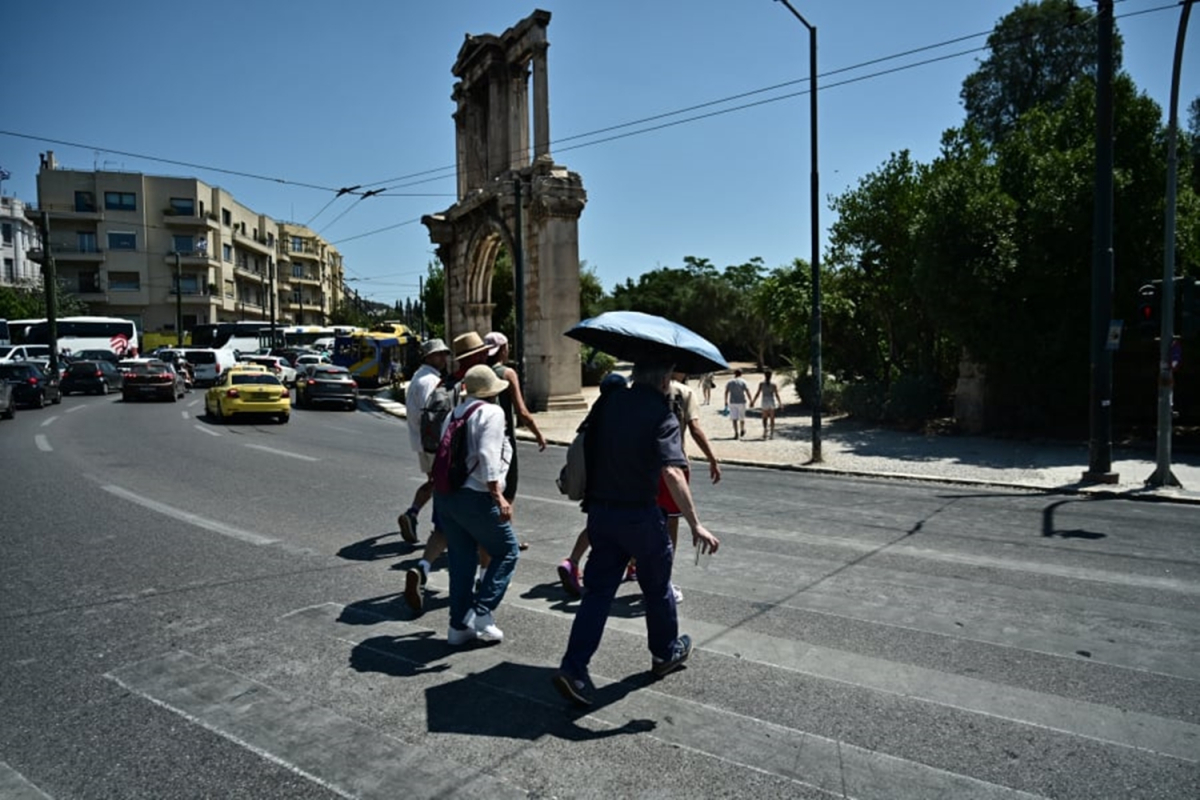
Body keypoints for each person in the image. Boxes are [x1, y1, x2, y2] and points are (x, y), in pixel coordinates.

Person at [552, 361, 720, 708]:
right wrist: (694, 522)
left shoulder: (609, 402)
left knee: (597, 593)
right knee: (657, 588)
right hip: (640, 515)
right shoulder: (662, 413)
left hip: (600, 513)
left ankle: (574, 668)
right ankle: (664, 655)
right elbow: (673, 471)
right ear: (662, 380)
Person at [404, 332, 492, 613]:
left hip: (443, 468)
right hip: (469, 472)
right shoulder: (475, 385)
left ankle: (423, 568)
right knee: (485, 532)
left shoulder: (445, 383)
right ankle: (482, 583)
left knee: (442, 527)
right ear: (476, 357)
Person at [434, 364, 521, 645]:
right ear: (491, 392)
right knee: (507, 551)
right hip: (476, 497)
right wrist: (499, 497)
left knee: (461, 562)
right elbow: (486, 454)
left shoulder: (454, 413)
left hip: (447, 497)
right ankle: (482, 612)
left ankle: (458, 628)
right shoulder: (491, 412)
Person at [557, 372, 628, 597]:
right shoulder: (619, 416)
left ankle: (572, 562)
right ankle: (593, 569)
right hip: (612, 485)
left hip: (592, 485)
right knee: (625, 526)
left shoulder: (594, 413)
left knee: (595, 526)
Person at [656, 372, 721, 602]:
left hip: (644, 466)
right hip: (675, 462)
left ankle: (637, 564)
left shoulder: (643, 388)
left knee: (646, 519)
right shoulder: (685, 393)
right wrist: (712, 458)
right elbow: (694, 429)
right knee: (671, 522)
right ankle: (663, 581)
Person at [484, 332, 547, 550]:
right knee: (507, 491)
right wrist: (538, 434)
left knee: (490, 489)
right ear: (503, 349)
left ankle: (487, 538)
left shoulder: (481, 372)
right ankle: (506, 540)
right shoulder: (507, 373)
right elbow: (521, 410)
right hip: (504, 440)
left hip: (483, 438)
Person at [398, 338, 451, 546]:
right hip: (433, 442)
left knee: (434, 482)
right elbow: (435, 414)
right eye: (439, 354)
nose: (444, 358)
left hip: (422, 440)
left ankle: (412, 514)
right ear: (429, 357)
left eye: (444, 353)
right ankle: (440, 529)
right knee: (442, 484)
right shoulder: (430, 381)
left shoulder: (419, 377)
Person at [750, 369, 782, 439]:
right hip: (771, 400)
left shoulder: (761, 384)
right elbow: (776, 394)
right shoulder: (773, 385)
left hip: (764, 400)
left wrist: (753, 401)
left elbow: (758, 393)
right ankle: (772, 433)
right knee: (772, 418)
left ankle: (765, 430)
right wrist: (780, 403)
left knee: (764, 417)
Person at [724, 369, 751, 439]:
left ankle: (736, 433)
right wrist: (751, 400)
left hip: (733, 401)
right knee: (742, 418)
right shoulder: (743, 382)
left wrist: (725, 401)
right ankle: (742, 429)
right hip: (742, 401)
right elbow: (747, 391)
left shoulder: (730, 382)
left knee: (734, 418)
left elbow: (726, 392)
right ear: (741, 374)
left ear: (734, 374)